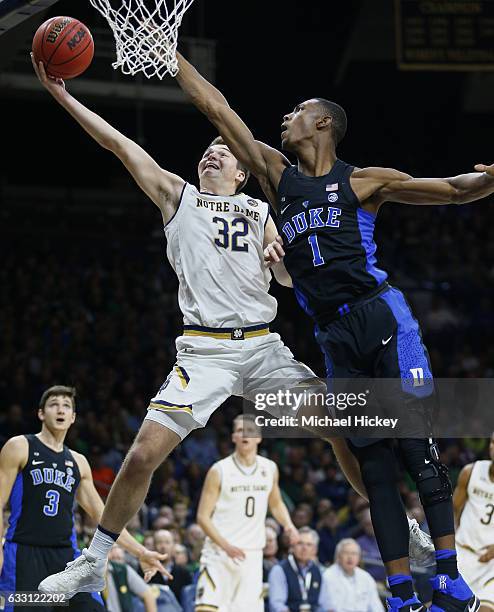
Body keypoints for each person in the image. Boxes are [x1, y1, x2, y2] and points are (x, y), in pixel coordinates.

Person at [32, 50, 433, 602]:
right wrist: (62, 94)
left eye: (221, 152)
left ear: (243, 174)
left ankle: (404, 531)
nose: (211, 154)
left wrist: (282, 262)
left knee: (343, 427)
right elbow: (117, 143)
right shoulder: (178, 197)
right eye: (207, 151)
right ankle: (94, 560)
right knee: (144, 452)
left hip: (265, 349)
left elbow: (298, 281)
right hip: (205, 351)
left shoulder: (268, 211)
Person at [170, 51, 492, 612]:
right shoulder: (275, 175)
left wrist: (489, 179)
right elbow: (218, 110)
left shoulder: (365, 182)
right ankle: (398, 592)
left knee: (416, 449)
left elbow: (454, 190)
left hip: (381, 318)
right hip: (334, 336)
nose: (285, 118)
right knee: (373, 465)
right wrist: (168, 52)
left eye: (296, 110)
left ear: (322, 123)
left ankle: (449, 578)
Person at [0, 385, 166, 612]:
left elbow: (104, 516)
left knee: (93, 609)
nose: (60, 410)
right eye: (54, 405)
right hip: (24, 555)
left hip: (67, 559)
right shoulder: (19, 446)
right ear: (41, 413)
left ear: (73, 417)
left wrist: (140, 552)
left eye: (66, 406)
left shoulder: (78, 462)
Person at [195, 415, 298, 612]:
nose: (245, 435)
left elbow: (276, 504)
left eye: (250, 431)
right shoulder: (219, 470)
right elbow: (202, 517)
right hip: (219, 553)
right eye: (240, 430)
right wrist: (226, 546)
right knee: (206, 608)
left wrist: (289, 525)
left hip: (251, 555)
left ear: (259, 437)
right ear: (233, 437)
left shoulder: (269, 468)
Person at [453, 433, 494, 612]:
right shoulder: (471, 472)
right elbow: (452, 511)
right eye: (493, 441)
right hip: (462, 553)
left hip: (491, 563)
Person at [268, 527, 323, 612]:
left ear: (315, 550)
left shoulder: (318, 570)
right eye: (300, 543)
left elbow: (322, 604)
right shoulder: (279, 570)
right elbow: (277, 606)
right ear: (292, 546)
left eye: (309, 544)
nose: (304, 548)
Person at [321, 538, 383, 612]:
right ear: (338, 556)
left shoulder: (366, 577)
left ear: (359, 558)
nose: (350, 557)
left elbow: (376, 607)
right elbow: (326, 606)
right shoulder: (328, 576)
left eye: (354, 553)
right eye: (346, 553)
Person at [105, 545, 158, 612]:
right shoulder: (90, 571)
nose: (115, 553)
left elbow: (148, 595)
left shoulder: (123, 569)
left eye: (117, 548)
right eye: (111, 549)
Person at [144, 530, 192, 603]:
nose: (163, 546)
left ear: (173, 546)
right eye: (159, 542)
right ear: (153, 546)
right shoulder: (145, 570)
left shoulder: (184, 573)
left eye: (167, 542)